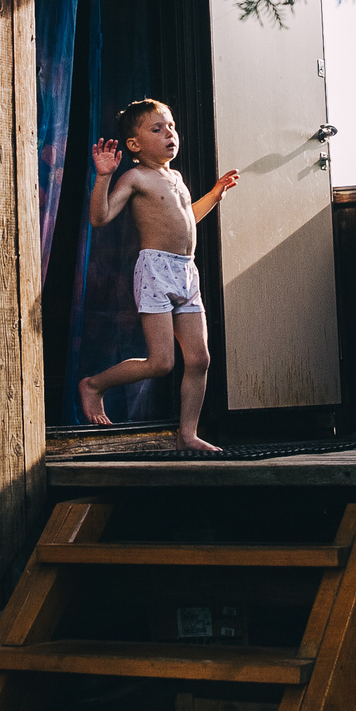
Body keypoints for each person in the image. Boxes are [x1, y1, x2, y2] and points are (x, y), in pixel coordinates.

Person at [76, 98, 240, 452]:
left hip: (186, 271)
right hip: (155, 270)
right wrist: (104, 176)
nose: (170, 134)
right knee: (161, 362)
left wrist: (213, 196)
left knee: (199, 359)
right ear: (134, 144)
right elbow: (100, 218)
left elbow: (186, 219)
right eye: (157, 129)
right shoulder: (135, 177)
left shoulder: (176, 178)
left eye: (171, 127)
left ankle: (187, 435)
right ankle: (94, 385)